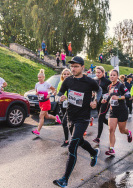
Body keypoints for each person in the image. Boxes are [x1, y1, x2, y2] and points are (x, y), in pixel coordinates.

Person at [53, 56, 102, 187]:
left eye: (76, 66)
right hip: (70, 116)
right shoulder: (68, 81)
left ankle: (65, 179)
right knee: (79, 141)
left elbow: (99, 90)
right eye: (72, 66)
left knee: (72, 146)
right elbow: (59, 94)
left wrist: (95, 101)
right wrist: (60, 98)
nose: (73, 68)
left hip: (83, 118)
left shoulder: (89, 81)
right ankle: (93, 152)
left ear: (82, 67)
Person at [102, 69, 132, 156]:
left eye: (114, 75)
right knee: (111, 129)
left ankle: (128, 133)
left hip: (122, 110)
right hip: (113, 111)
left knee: (122, 130)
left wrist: (118, 97)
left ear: (117, 76)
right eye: (111, 75)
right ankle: (112, 149)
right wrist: (105, 100)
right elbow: (109, 97)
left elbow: (128, 95)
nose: (112, 76)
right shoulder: (109, 87)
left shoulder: (121, 85)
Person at [32, 69, 61, 136]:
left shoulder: (47, 84)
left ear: (43, 77)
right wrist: (37, 93)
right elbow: (37, 92)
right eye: (38, 77)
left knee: (41, 115)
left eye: (40, 77)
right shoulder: (37, 84)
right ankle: (56, 118)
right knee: (47, 116)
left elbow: (54, 90)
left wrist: (50, 94)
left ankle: (38, 131)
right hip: (40, 102)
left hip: (46, 102)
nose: (39, 79)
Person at [93, 66, 111, 144]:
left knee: (100, 117)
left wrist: (107, 98)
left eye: (99, 72)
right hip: (98, 100)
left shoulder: (107, 81)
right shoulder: (94, 80)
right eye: (96, 72)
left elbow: (111, 91)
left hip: (105, 101)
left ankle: (98, 137)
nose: (97, 74)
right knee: (102, 118)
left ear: (103, 73)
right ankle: (112, 126)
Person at [57, 68, 72, 147]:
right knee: (67, 122)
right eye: (64, 74)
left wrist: (67, 98)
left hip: (70, 105)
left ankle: (68, 140)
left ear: (70, 75)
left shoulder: (72, 83)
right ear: (62, 75)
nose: (66, 75)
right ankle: (68, 140)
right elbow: (58, 94)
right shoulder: (60, 83)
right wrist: (60, 98)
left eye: (67, 74)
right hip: (62, 104)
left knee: (65, 122)